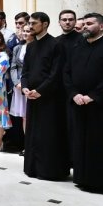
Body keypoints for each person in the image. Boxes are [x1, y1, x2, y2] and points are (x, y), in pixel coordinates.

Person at [65, 13, 103, 197]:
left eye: (89, 24)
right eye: (83, 24)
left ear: (101, 27)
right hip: (79, 104)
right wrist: (74, 94)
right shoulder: (77, 47)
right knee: (82, 143)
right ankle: (85, 180)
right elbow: (66, 73)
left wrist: (93, 96)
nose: (84, 26)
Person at [22, 12, 68, 181]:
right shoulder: (31, 46)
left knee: (48, 134)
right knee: (33, 133)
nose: (30, 26)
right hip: (32, 96)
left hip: (49, 98)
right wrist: (26, 87)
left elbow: (56, 73)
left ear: (45, 24)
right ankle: (32, 168)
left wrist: (40, 90)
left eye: (34, 23)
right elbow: (25, 71)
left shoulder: (56, 45)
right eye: (30, 23)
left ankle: (48, 170)